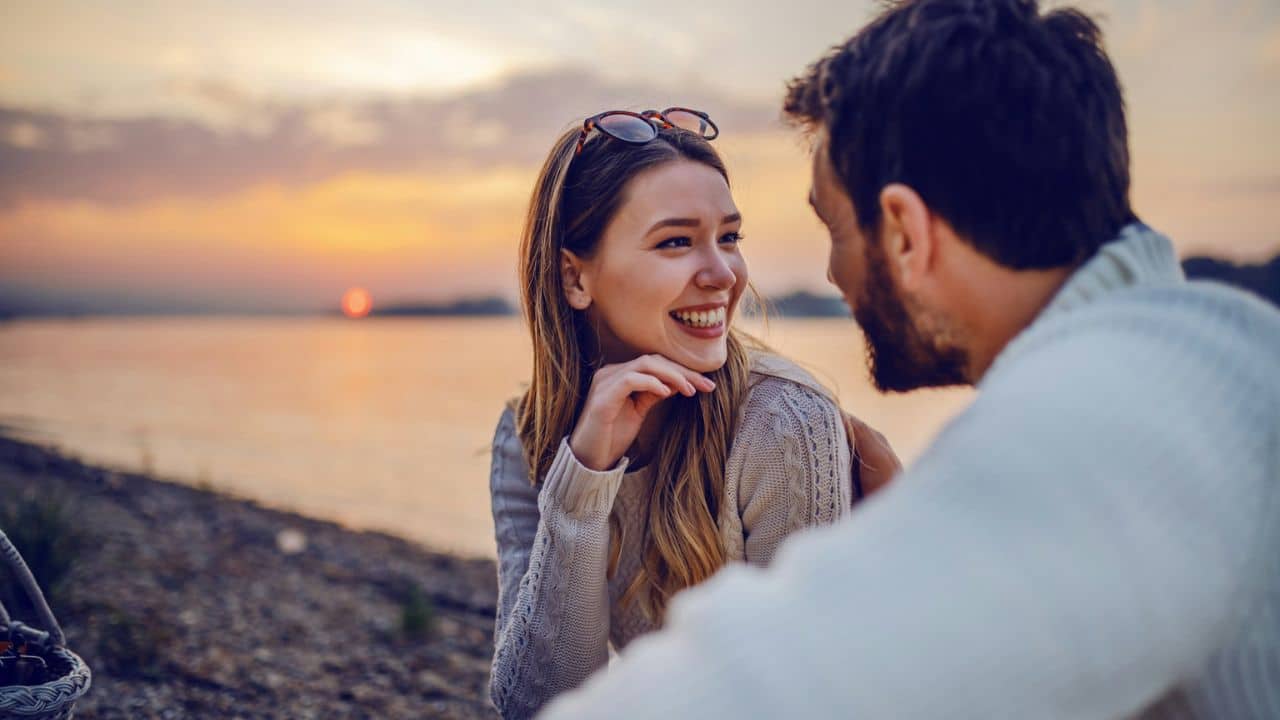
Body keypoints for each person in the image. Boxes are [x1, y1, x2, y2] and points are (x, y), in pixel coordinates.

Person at [540, 1, 1280, 718]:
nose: (831, 274)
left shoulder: (1104, 426)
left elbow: (757, 688)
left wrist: (917, 551)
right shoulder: (1214, 358)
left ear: (904, 232)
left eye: (834, 228)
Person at [487, 109, 877, 719]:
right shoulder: (529, 437)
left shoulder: (781, 424)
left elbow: (808, 696)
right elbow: (535, 704)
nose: (723, 275)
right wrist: (583, 481)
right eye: (676, 241)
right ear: (574, 277)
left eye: (729, 237)